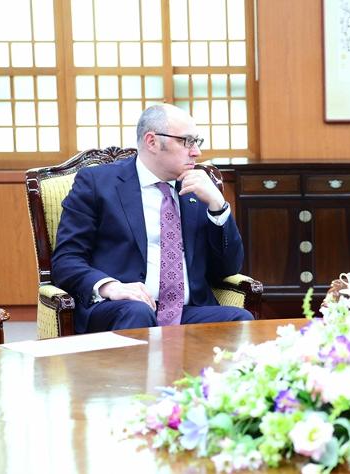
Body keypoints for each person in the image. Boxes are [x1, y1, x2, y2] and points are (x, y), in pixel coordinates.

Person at [52, 104, 253, 333]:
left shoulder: (198, 188)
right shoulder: (98, 183)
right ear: (152, 141)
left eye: (198, 142)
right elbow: (66, 260)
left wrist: (218, 207)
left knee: (240, 320)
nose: (196, 152)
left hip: (187, 310)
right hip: (121, 307)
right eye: (186, 141)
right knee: (137, 312)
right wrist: (110, 287)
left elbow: (227, 268)